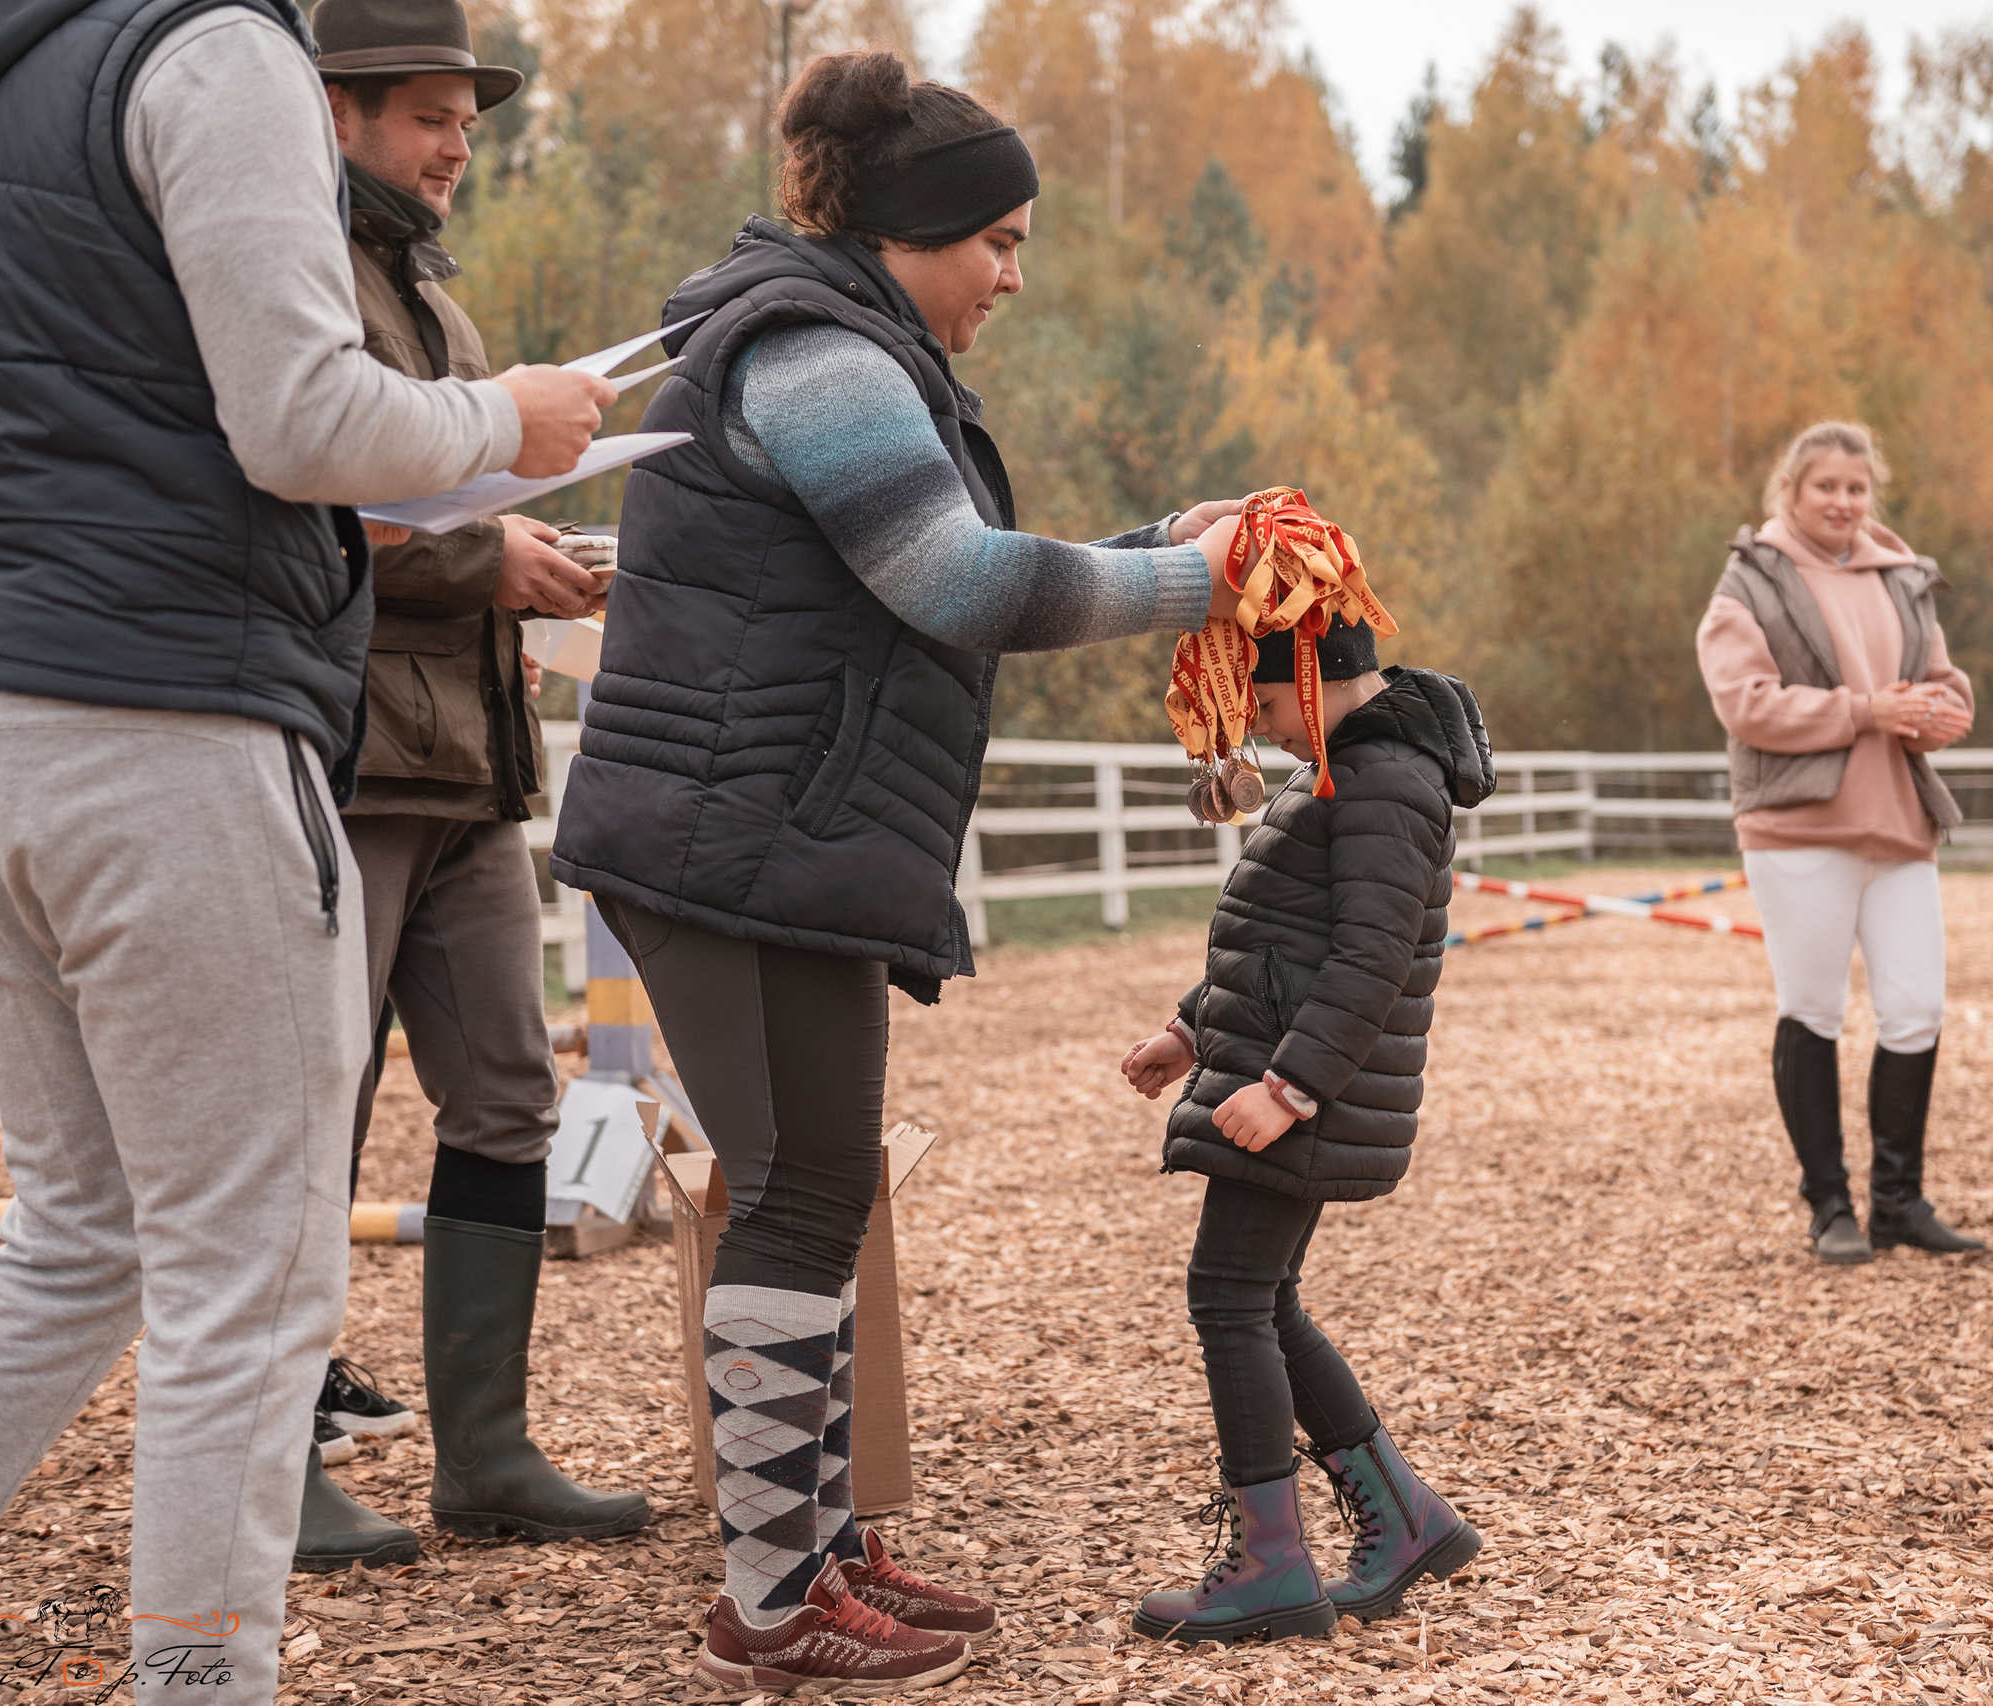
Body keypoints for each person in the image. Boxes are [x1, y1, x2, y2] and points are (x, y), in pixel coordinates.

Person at [0, 0, 611, 1692]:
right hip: (173, 712)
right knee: (247, 1272)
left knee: (80, 1235)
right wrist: (506, 417)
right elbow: (299, 421)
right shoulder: (210, 51)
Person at [547, 51, 1247, 1696]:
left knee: (825, 1185)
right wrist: (1196, 581)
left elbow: (941, 573)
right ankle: (770, 1596)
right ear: (915, 233)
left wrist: (1156, 550)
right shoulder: (811, 351)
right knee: (792, 1189)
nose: (1014, 272)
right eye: (997, 239)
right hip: (729, 838)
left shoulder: (849, 349)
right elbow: (954, 579)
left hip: (789, 834)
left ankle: (814, 1544)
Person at [290, 0, 650, 1572]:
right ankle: (278, 1456)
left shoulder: (432, 298)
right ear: (338, 110)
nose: (454, 148)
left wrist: (533, 556)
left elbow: (442, 502)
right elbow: (295, 509)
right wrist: (473, 552)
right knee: (309, 1111)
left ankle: (485, 1453)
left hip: (467, 766)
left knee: (507, 1094)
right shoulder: (291, 275)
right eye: (429, 115)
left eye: (465, 120)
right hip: (349, 752)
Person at [1117, 618, 1495, 1644]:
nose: (1268, 729)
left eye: (1272, 705)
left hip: (1300, 1086)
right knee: (1262, 1297)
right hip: (1278, 1064)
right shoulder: (1346, 767)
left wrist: (1289, 1087)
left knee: (1228, 1295)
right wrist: (1191, 1028)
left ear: (1317, 675)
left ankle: (1270, 1563)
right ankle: (1405, 1516)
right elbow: (1285, 937)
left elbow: (1368, 960)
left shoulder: (1381, 781)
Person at [1695, 420, 1981, 1265]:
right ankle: (1830, 1206)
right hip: (1797, 829)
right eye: (1826, 487)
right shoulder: (1747, 584)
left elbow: (1940, 676)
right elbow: (1746, 702)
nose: (1843, 503)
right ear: (1792, 490)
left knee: (1916, 1007)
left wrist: (1943, 709)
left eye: (1856, 489)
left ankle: (1899, 1200)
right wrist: (1865, 711)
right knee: (1813, 1008)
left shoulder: (1903, 577)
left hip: (1899, 822)